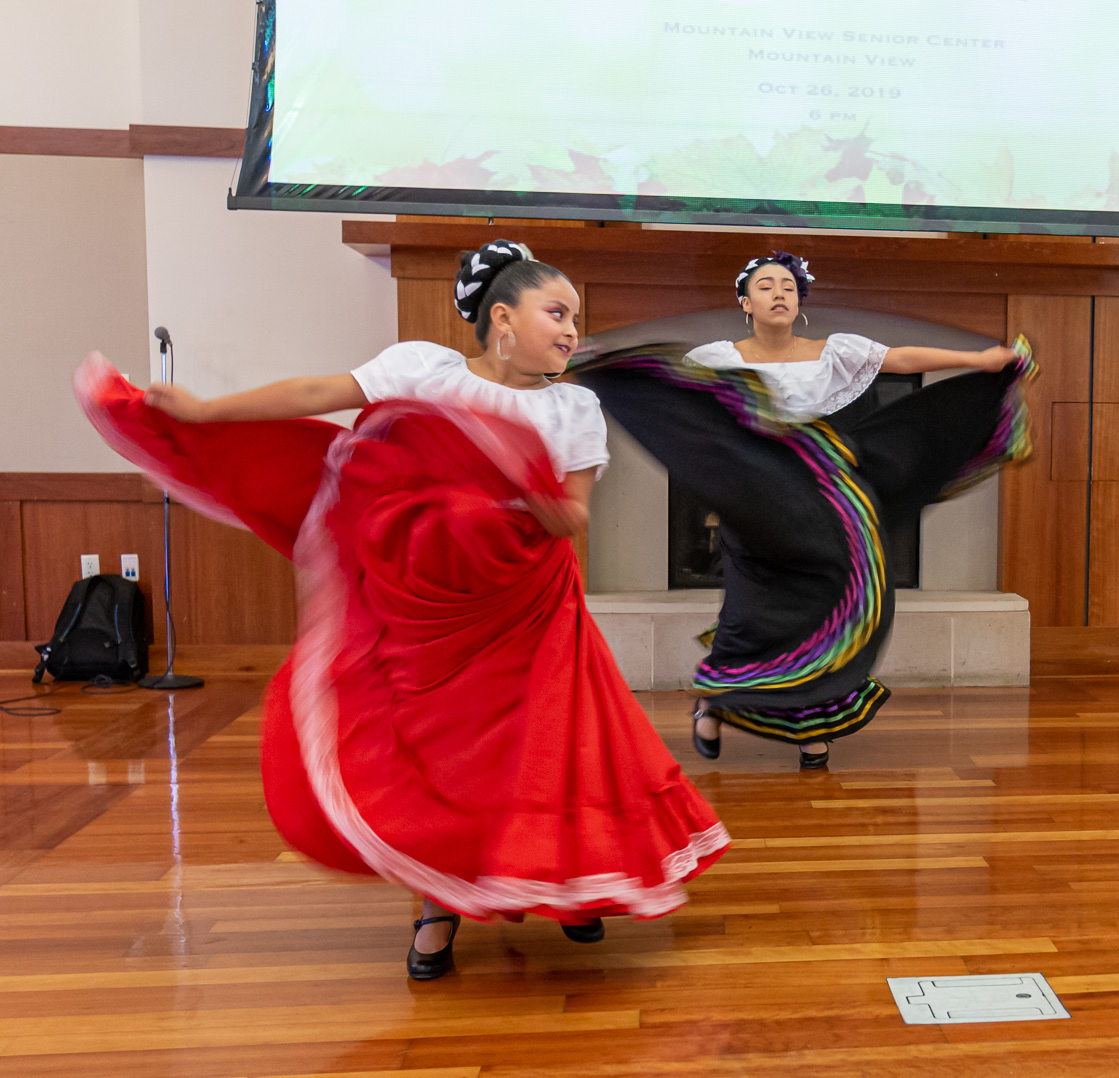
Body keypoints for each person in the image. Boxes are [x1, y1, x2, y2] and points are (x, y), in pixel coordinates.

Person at [73, 240, 730, 980]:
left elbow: (571, 514)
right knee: (443, 751)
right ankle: (438, 903)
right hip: (426, 606)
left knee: (545, 744)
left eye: (579, 316)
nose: (574, 328)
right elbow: (313, 396)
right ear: (503, 318)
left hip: (525, 601)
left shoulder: (575, 405)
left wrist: (513, 486)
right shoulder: (424, 369)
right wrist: (204, 409)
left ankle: (569, 887)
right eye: (558, 311)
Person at [573, 251, 1035, 770]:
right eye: (767, 285)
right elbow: (675, 392)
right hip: (756, 496)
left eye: (789, 287)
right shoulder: (718, 357)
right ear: (746, 302)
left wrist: (978, 362)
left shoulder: (834, 351)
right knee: (750, 610)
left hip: (822, 492)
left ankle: (814, 730)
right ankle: (714, 701)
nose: (779, 293)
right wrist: (608, 366)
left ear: (800, 302)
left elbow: (901, 359)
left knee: (831, 605)